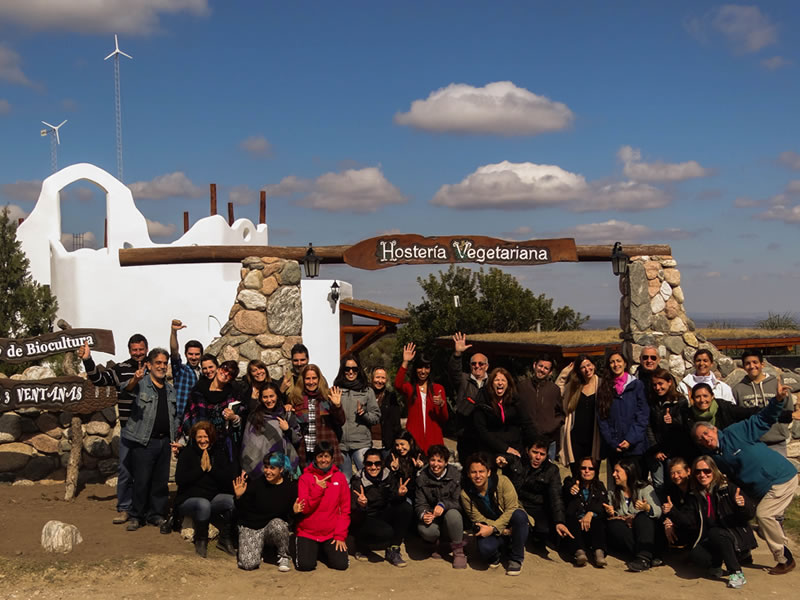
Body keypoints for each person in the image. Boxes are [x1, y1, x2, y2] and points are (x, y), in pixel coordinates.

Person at [692, 386, 799, 575]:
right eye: (701, 439)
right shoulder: (715, 457)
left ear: (714, 430)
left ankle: (785, 559)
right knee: (739, 512)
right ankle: (743, 550)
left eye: (707, 434)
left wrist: (778, 400)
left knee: (764, 516)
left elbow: (763, 418)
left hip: (780, 477)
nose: (706, 439)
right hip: (757, 489)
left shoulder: (736, 432)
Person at [78, 334, 148, 525]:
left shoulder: (153, 367)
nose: (138, 353)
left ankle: (145, 510)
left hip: (149, 430)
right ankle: (124, 508)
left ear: (147, 349)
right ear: (129, 350)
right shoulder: (121, 369)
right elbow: (98, 379)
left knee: (145, 471)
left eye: (141, 349)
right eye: (135, 350)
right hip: (128, 429)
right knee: (125, 470)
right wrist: (87, 359)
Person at [668, 455, 757, 589]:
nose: (702, 475)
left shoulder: (728, 488)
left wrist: (742, 506)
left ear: (714, 470)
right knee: (697, 556)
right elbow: (688, 521)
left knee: (716, 532)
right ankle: (717, 563)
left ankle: (736, 572)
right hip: (711, 538)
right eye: (698, 472)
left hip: (733, 536)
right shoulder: (695, 495)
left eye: (706, 471)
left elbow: (749, 514)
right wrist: (672, 512)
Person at [121, 348, 178, 531]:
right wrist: (135, 379)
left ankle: (156, 514)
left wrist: (174, 438)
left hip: (164, 441)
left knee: (160, 482)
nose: (162, 366)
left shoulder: (170, 390)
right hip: (143, 441)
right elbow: (125, 390)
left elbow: (174, 416)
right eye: (158, 363)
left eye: (164, 363)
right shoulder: (141, 384)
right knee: (141, 480)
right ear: (149, 365)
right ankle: (136, 516)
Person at [169, 421, 236, 557]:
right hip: (189, 499)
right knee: (203, 504)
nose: (203, 440)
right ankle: (201, 540)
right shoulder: (187, 453)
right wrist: (200, 469)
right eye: (199, 437)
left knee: (232, 501)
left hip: (213, 497)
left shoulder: (218, 453)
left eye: (206, 437)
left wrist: (210, 469)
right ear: (194, 438)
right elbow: (180, 480)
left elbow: (227, 478)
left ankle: (225, 539)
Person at [461, 453, 530, 576]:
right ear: (468, 474)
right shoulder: (465, 494)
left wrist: (494, 528)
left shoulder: (503, 482)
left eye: (481, 471)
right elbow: (477, 518)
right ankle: (497, 553)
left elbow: (511, 508)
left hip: (509, 523)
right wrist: (497, 530)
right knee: (485, 549)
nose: (478, 476)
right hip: (489, 527)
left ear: (488, 472)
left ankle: (516, 558)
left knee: (520, 515)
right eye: (473, 472)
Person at [232, 452, 299, 572]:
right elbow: (242, 510)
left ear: (281, 469)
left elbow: (288, 516)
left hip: (272, 527)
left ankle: (283, 555)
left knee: (279, 525)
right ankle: (261, 549)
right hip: (252, 526)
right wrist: (239, 497)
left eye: (272, 468)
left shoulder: (290, 488)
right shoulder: (256, 484)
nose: (268, 471)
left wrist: (294, 511)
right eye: (266, 467)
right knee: (248, 564)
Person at [350, 448, 413, 567]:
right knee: (385, 532)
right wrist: (362, 505)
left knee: (406, 508)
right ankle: (361, 546)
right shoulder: (358, 481)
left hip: (382, 513)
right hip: (365, 518)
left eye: (377, 463)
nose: (373, 467)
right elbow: (354, 513)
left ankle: (393, 549)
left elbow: (394, 499)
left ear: (382, 463)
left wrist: (399, 494)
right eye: (369, 463)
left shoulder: (387, 475)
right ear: (364, 464)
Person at [508, 439, 571, 557]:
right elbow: (504, 457)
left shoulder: (551, 470)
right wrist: (501, 458)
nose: (538, 457)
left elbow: (556, 496)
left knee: (544, 530)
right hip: (516, 503)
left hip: (536, 506)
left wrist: (559, 521)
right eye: (535, 452)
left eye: (542, 454)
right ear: (527, 451)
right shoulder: (518, 462)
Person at [294, 441, 350, 571]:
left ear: (332, 458)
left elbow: (345, 510)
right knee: (305, 566)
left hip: (331, 533)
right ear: (315, 458)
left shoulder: (340, 478)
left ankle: (322, 550)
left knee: (341, 565)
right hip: (308, 532)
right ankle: (311, 549)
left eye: (326, 456)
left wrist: (340, 535)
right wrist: (317, 489)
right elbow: (305, 509)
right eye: (320, 456)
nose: (323, 460)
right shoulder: (305, 478)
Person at [602, 458, 662, 572]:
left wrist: (646, 508)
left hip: (646, 531)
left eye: (617, 471)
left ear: (628, 472)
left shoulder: (645, 489)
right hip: (627, 532)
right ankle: (647, 556)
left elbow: (658, 511)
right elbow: (615, 515)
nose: (614, 474)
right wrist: (611, 513)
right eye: (614, 471)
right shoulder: (613, 493)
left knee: (643, 517)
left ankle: (644, 557)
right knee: (614, 525)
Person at [596, 352, 649, 480]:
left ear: (625, 363)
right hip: (615, 448)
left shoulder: (637, 385)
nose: (616, 364)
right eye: (612, 362)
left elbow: (642, 415)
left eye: (619, 361)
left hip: (635, 447)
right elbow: (602, 418)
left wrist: (630, 439)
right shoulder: (604, 388)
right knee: (619, 484)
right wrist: (612, 442)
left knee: (637, 483)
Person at [180, 360, 245, 463]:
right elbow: (188, 416)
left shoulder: (233, 394)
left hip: (222, 446)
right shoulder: (198, 390)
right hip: (200, 442)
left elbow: (240, 420)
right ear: (218, 369)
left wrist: (233, 417)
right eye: (225, 369)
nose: (226, 374)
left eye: (230, 374)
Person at [732, 349, 793, 456]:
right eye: (747, 363)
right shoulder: (738, 389)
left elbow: (788, 409)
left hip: (777, 442)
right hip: (751, 443)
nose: (752, 366)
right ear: (744, 367)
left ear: (762, 364)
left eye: (755, 362)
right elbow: (736, 417)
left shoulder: (777, 385)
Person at [415, 444, 466, 568]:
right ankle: (441, 545)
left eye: (439, 461)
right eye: (432, 460)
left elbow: (459, 502)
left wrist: (443, 505)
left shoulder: (456, 475)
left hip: (451, 515)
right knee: (426, 530)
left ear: (446, 462)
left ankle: (458, 551)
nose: (435, 464)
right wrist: (424, 514)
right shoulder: (422, 477)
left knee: (453, 514)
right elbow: (420, 503)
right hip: (434, 516)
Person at [473, 367, 535, 470]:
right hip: (490, 449)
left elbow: (527, 423)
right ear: (491, 383)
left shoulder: (516, 401)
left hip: (514, 448)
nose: (500, 383)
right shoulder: (483, 401)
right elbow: (482, 430)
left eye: (503, 380)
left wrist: (536, 444)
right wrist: (505, 448)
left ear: (508, 383)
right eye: (497, 380)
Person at [240, 382, 302, 478]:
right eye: (265, 397)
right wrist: (246, 467)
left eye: (271, 396)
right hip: (260, 467)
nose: (269, 400)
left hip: (282, 467)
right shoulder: (254, 416)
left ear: (277, 396)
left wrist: (287, 430)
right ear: (261, 398)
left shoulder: (286, 414)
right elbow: (248, 443)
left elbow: (297, 439)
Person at [288, 364, 346, 466]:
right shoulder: (296, 398)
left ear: (319, 379)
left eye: (314, 378)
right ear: (303, 380)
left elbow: (340, 421)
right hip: (305, 452)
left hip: (325, 450)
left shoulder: (327, 397)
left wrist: (337, 406)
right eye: (308, 378)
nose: (311, 382)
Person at [332, 354, 380, 476]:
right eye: (347, 369)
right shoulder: (336, 390)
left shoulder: (367, 391)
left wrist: (364, 414)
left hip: (361, 443)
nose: (351, 372)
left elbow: (376, 417)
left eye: (354, 369)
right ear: (342, 370)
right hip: (341, 444)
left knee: (366, 477)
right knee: (345, 480)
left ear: (359, 370)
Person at [395, 343, 448, 453]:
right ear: (415, 369)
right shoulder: (410, 388)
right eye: (420, 367)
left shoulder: (438, 389)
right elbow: (397, 384)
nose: (423, 371)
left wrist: (442, 404)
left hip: (433, 438)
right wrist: (405, 362)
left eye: (426, 368)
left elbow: (444, 418)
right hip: (414, 438)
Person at [645, 368, 690, 490]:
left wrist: (673, 421)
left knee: (674, 483)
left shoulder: (680, 401)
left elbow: (685, 426)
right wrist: (655, 449)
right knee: (659, 485)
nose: (657, 388)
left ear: (669, 382)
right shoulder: (652, 402)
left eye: (661, 384)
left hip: (674, 451)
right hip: (656, 451)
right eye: (654, 385)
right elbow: (649, 426)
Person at [448, 332, 489, 465]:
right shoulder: (463, 379)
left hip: (486, 436)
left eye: (481, 364)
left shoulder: (493, 382)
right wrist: (457, 354)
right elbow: (454, 371)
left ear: (486, 366)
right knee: (467, 468)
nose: (477, 366)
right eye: (474, 363)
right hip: (465, 435)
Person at [557, 354, 602, 475]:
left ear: (594, 365)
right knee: (577, 474)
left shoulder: (601, 384)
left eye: (589, 365)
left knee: (592, 474)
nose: (587, 369)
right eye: (583, 367)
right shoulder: (573, 386)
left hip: (593, 438)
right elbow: (557, 390)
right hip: (575, 439)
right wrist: (565, 372)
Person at [562, 456, 609, 567]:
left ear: (595, 471)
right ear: (579, 470)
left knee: (598, 521)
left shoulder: (599, 486)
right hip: (576, 525)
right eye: (583, 468)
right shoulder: (571, 483)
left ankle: (599, 552)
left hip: (591, 526)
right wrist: (571, 491)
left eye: (590, 468)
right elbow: (566, 500)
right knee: (572, 520)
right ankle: (579, 552)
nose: (587, 471)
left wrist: (590, 513)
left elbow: (603, 503)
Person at [517, 356, 563, 461]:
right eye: (540, 366)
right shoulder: (522, 387)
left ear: (550, 372)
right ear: (534, 365)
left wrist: (551, 427)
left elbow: (560, 413)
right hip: (526, 439)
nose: (542, 370)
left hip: (548, 440)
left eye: (546, 368)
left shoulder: (554, 390)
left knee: (547, 470)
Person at [168, 319, 203, 424]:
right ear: (185, 355)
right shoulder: (181, 370)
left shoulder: (204, 374)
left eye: (197, 354)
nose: (193, 357)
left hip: (197, 419)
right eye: (190, 354)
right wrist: (174, 332)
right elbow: (174, 351)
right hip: (180, 418)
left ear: (201, 355)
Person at [659, 457, 695, 549]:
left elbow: (689, 518)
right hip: (678, 521)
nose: (675, 476)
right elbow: (665, 509)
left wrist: (672, 511)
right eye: (672, 473)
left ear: (688, 471)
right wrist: (667, 522)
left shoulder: (695, 488)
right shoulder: (671, 489)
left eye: (679, 472)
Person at [369, 366, 402, 455]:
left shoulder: (391, 397)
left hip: (386, 445)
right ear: (372, 378)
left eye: (383, 378)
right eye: (377, 377)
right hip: (367, 443)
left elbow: (396, 422)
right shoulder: (365, 395)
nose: (380, 381)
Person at [385, 430, 426, 499]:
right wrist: (394, 469)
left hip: (416, 493)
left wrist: (420, 467)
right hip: (398, 494)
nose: (399, 448)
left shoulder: (418, 455)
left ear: (410, 442)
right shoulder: (393, 456)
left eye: (402, 444)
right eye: (397, 445)